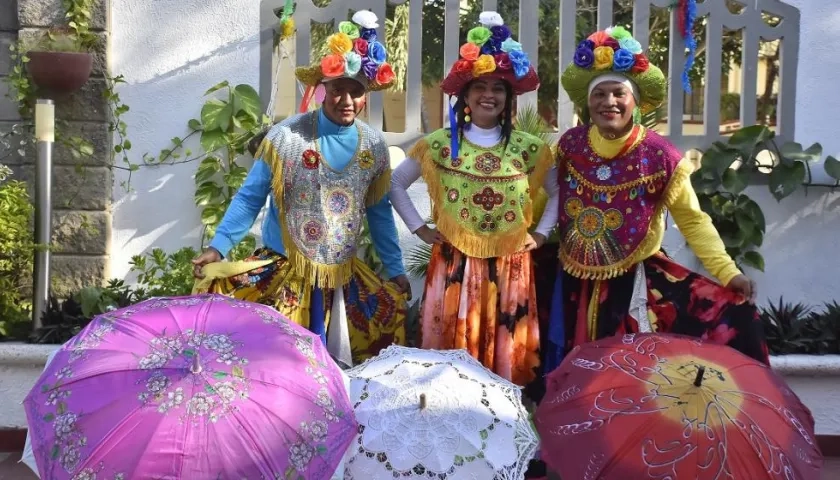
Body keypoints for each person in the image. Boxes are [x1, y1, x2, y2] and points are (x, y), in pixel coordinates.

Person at [544, 26, 769, 374]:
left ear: (634, 100)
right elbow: (543, 196)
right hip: (571, 283)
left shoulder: (660, 156)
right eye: (599, 94)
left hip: (634, 286)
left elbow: (692, 220)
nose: (609, 102)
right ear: (587, 102)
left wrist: (728, 272)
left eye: (618, 93)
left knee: (628, 375)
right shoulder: (569, 146)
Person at [192, 11, 410, 368]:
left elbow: (379, 212)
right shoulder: (287, 138)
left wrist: (394, 266)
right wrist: (218, 248)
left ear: (365, 96)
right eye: (338, 89)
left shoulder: (373, 146)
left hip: (342, 276)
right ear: (324, 90)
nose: (346, 100)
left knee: (338, 369)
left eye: (355, 92)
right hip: (285, 272)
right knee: (277, 366)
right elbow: (250, 197)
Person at [390, 11, 559, 387]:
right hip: (455, 262)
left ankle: (502, 414)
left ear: (508, 97)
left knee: (504, 353)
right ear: (465, 95)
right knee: (450, 357)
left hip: (510, 263)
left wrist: (544, 233)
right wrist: (419, 229)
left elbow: (560, 190)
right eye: (480, 87)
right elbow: (395, 184)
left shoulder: (529, 149)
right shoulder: (439, 145)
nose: (489, 95)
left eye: (498, 88)